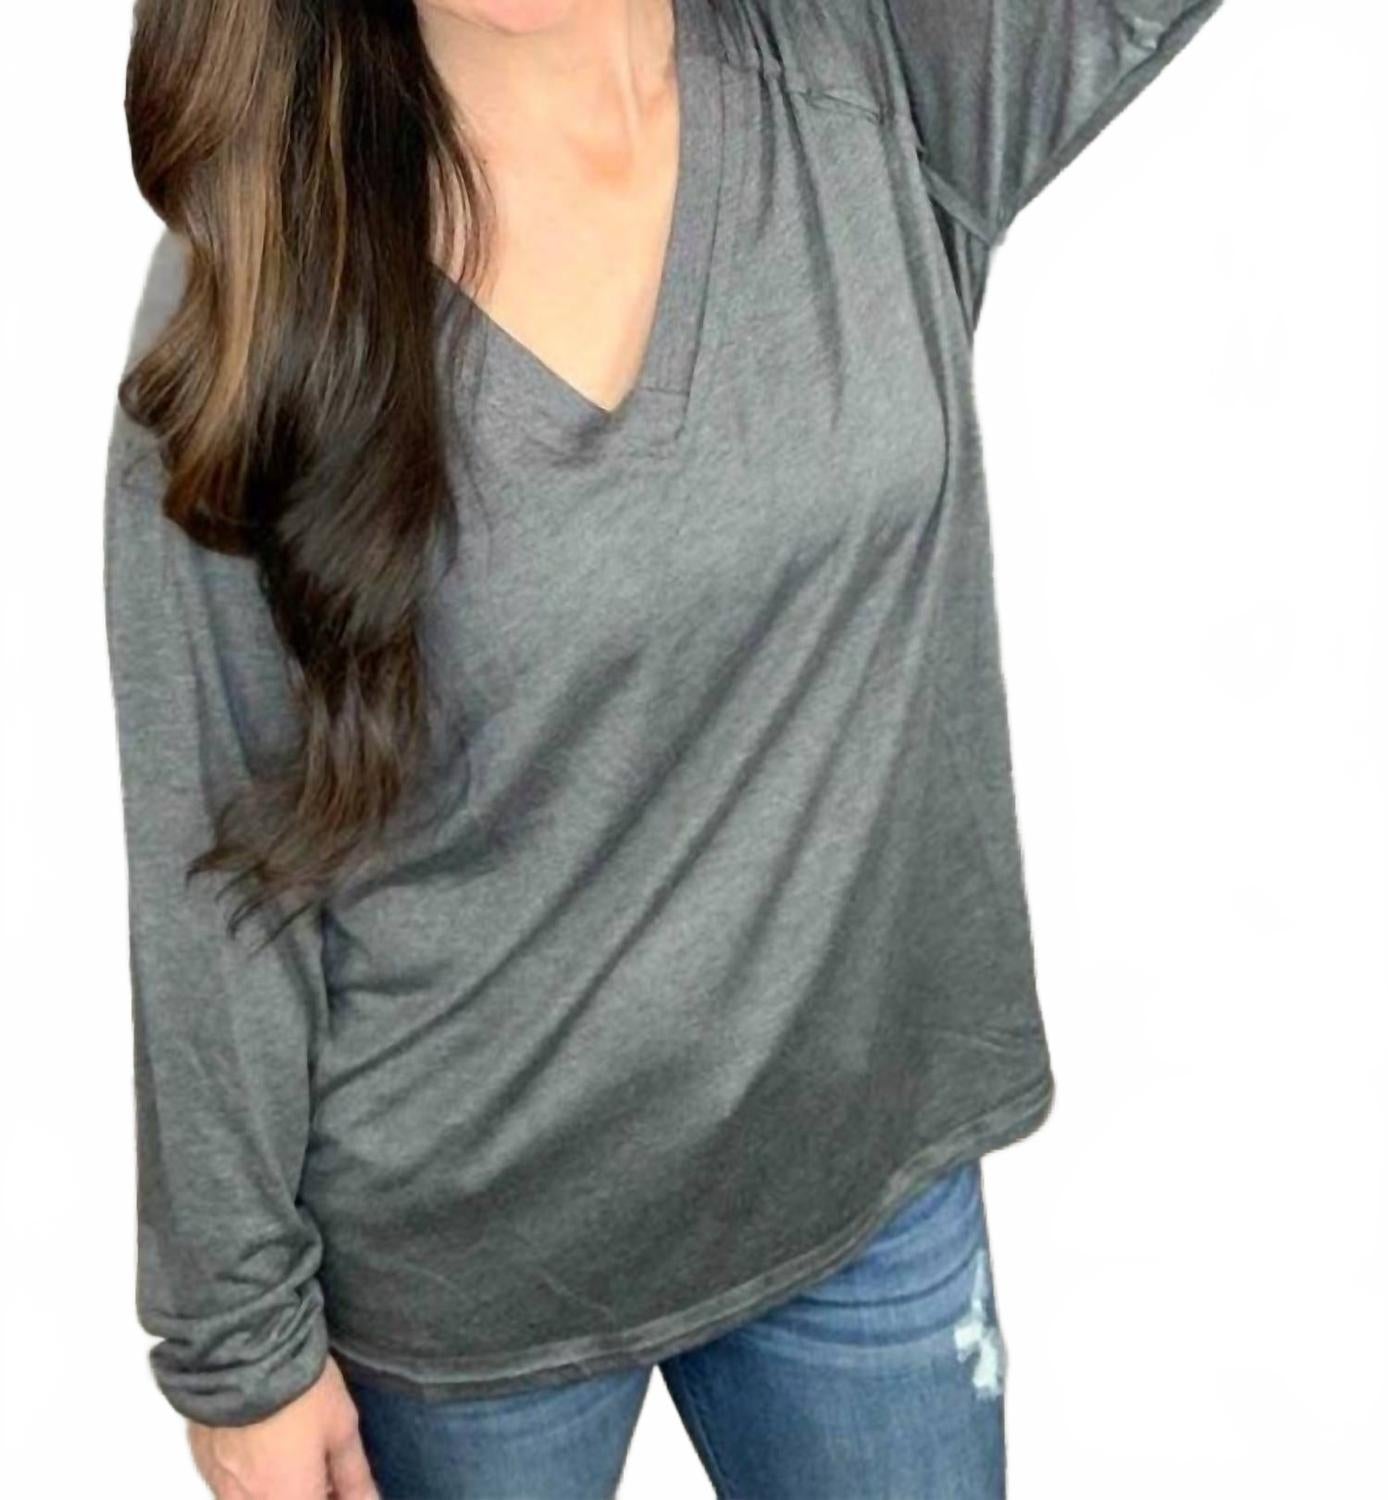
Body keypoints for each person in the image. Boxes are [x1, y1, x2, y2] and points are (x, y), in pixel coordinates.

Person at [102, 0, 1225, 1495]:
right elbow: (218, 868)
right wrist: (239, 1350)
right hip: (470, 1273)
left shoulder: (873, 86)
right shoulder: (257, 278)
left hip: (860, 1182)